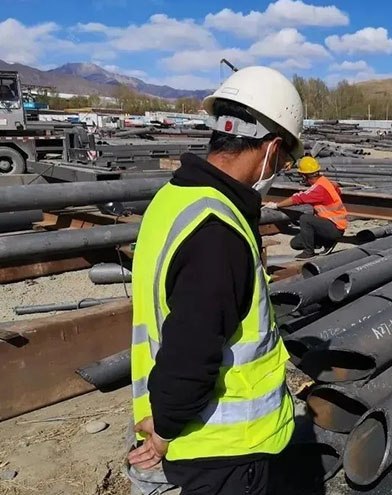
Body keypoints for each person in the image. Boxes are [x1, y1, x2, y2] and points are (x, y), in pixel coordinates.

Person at [127, 66, 304, 495]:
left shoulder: (177, 197)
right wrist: (166, 428)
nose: (281, 168)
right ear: (272, 147)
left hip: (189, 431)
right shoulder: (217, 230)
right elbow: (193, 345)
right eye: (286, 160)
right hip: (217, 448)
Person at [264, 155, 348, 259]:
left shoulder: (319, 188)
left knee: (305, 219)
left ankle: (309, 252)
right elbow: (337, 191)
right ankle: (325, 242)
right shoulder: (326, 182)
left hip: (335, 227)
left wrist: (277, 205)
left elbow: (298, 199)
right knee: (295, 243)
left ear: (304, 176)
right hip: (329, 225)